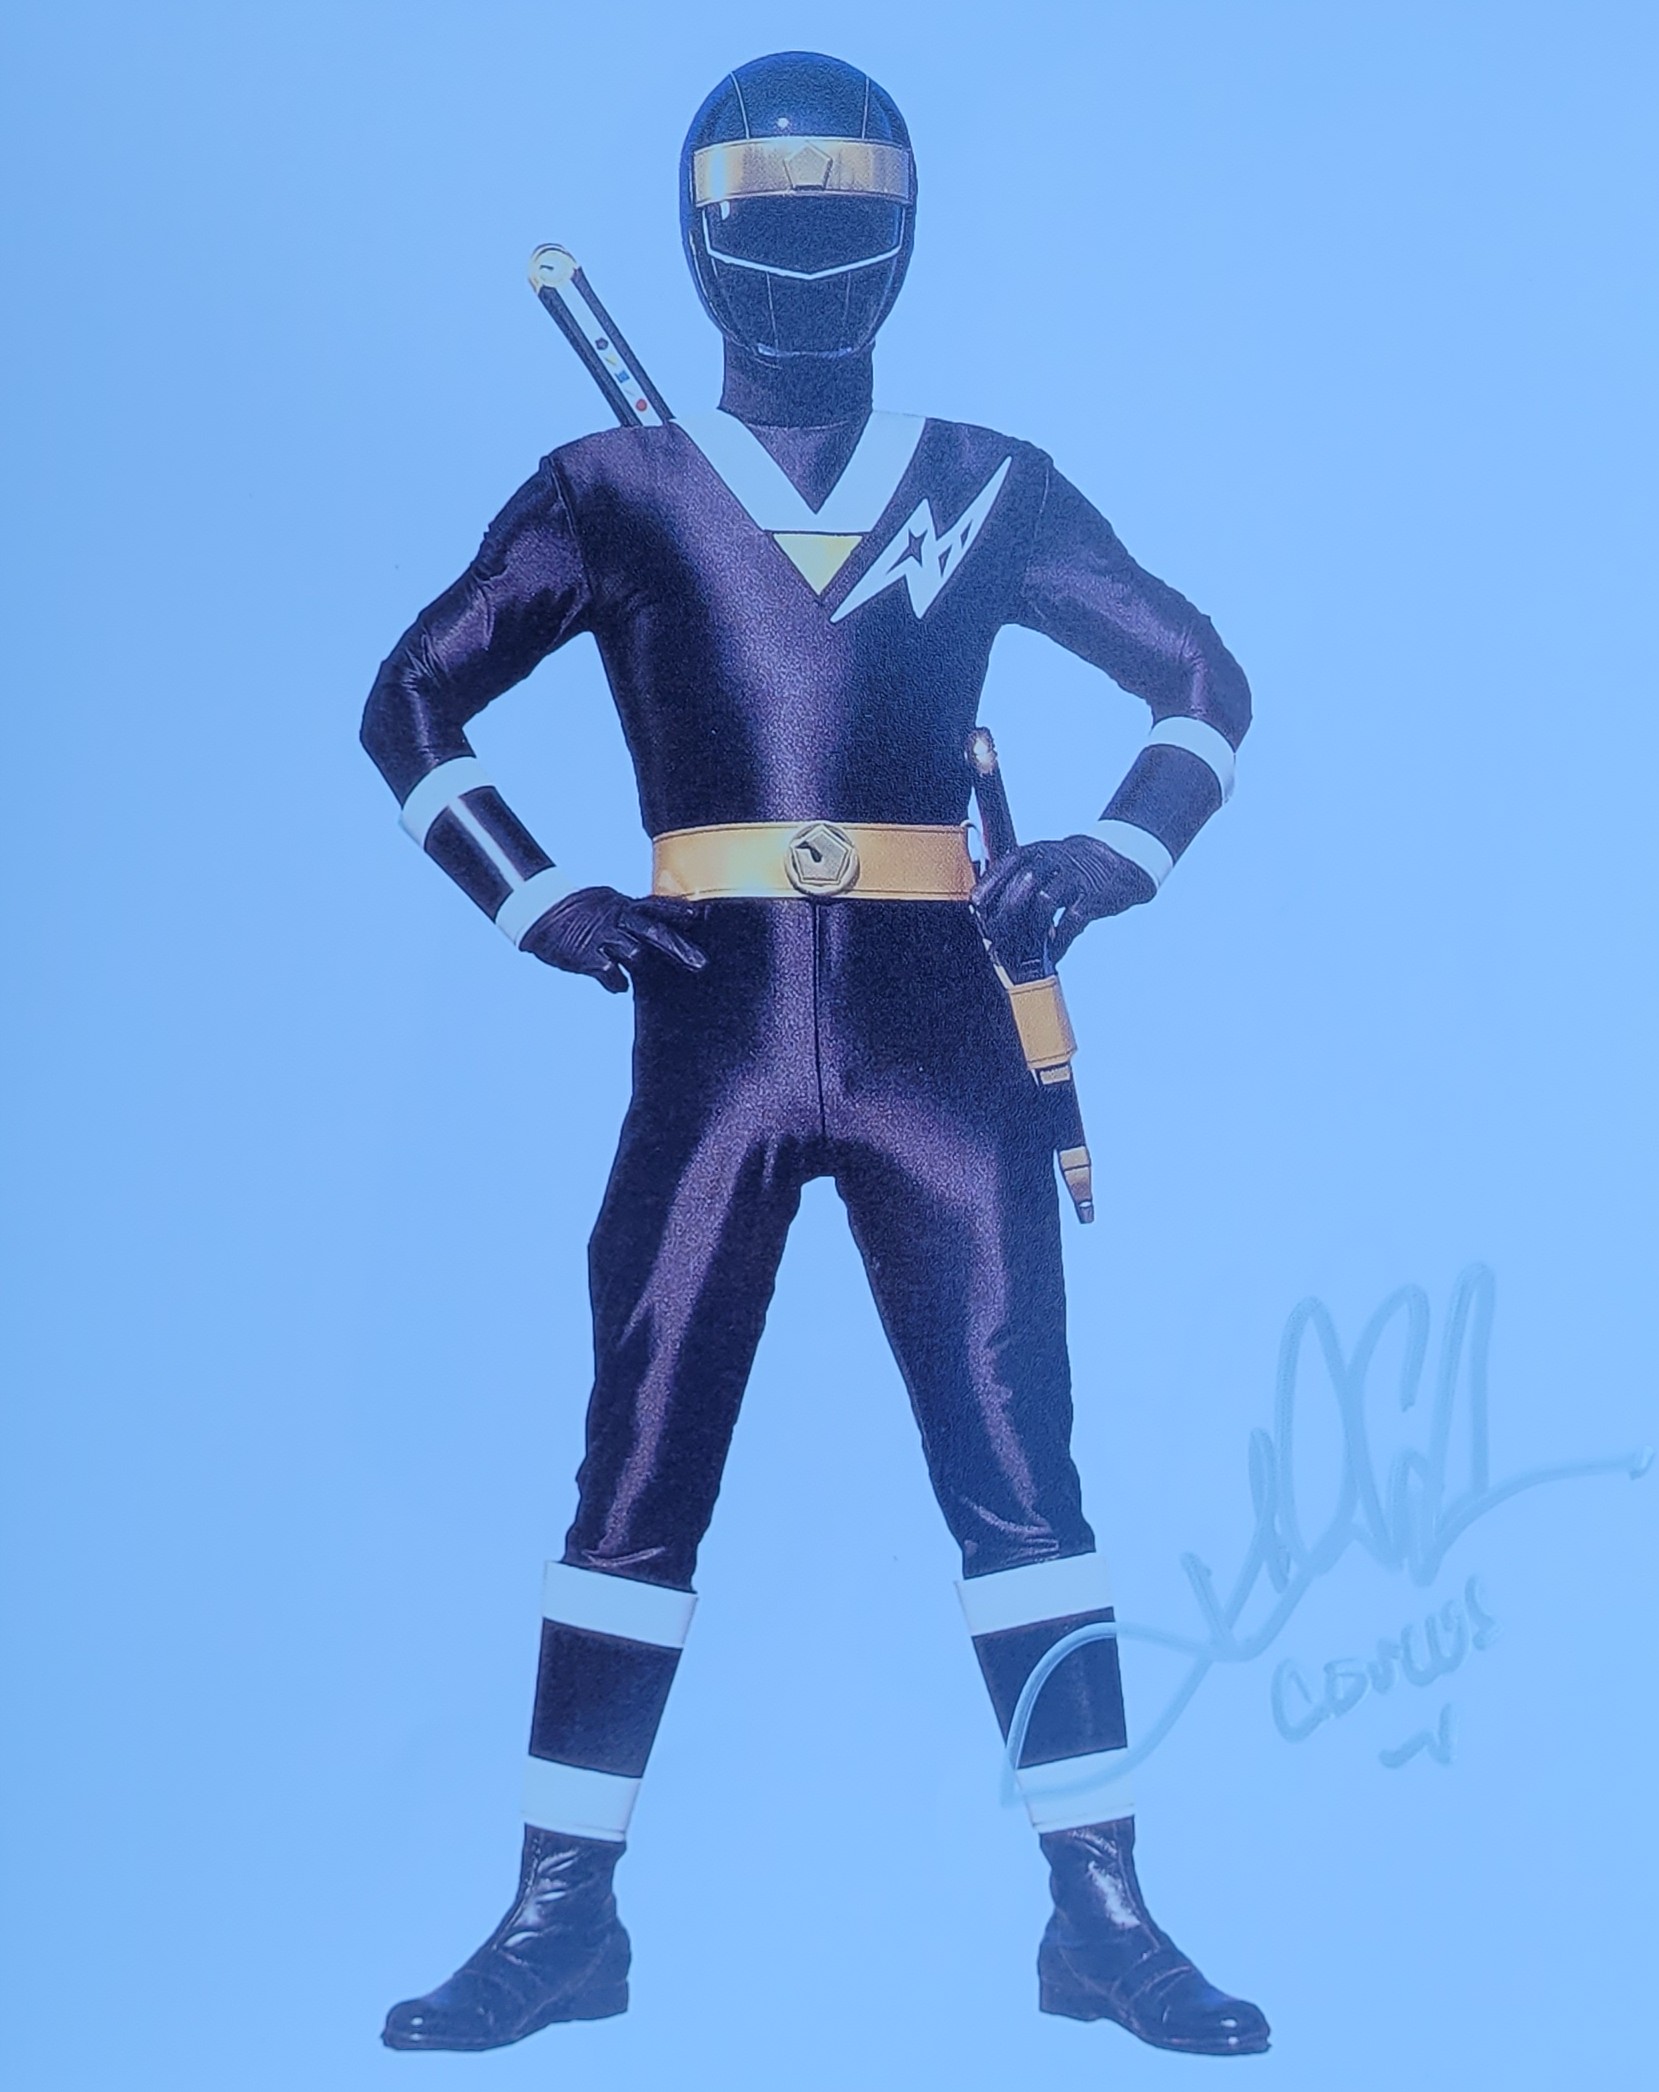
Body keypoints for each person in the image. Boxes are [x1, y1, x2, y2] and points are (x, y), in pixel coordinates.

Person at [361, 48, 1267, 2058]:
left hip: (944, 1033)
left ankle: (1100, 1913)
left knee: (1021, 1476)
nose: (805, 265)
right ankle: (559, 1916)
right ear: (708, 245)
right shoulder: (611, 488)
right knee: (638, 1467)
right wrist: (539, 898)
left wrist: (1110, 855)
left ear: (898, 241)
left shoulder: (984, 480)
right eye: (776, 229)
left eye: (835, 227)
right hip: (716, 1033)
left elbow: (1203, 679)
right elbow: (407, 702)